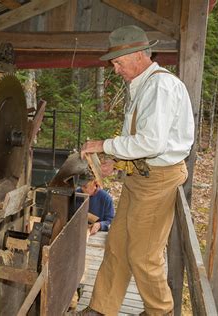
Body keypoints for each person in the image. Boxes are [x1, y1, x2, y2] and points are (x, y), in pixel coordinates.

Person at [78, 25, 194, 316]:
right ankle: (101, 308)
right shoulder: (143, 85)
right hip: (139, 177)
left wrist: (103, 145)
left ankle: (160, 311)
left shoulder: (160, 86)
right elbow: (144, 140)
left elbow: (152, 143)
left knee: (143, 255)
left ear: (139, 55)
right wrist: (117, 162)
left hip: (158, 181)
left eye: (118, 62)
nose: (115, 70)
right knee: (117, 245)